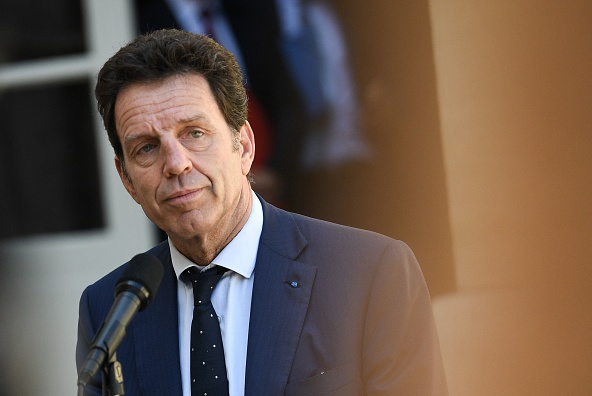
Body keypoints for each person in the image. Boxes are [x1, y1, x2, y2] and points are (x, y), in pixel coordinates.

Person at [76, 29, 448, 395]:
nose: (176, 164)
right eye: (146, 148)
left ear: (244, 146)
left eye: (194, 133)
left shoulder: (370, 273)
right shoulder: (108, 308)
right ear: (126, 178)